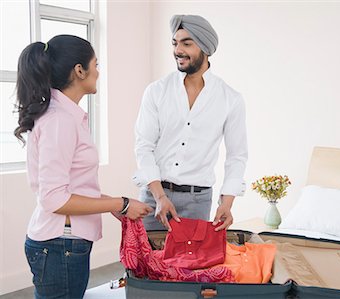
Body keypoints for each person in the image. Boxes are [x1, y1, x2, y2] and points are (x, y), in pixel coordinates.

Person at [14, 34, 152, 299]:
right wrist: (119, 204)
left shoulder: (64, 116)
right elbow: (55, 198)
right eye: (96, 65)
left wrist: (117, 204)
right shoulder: (60, 120)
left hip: (62, 244)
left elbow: (72, 188)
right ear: (79, 70)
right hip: (59, 245)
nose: (98, 73)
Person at [134, 15, 248, 232]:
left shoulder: (230, 99)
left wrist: (227, 203)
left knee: (190, 266)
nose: (178, 50)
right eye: (175, 43)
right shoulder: (157, 91)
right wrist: (159, 197)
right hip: (153, 197)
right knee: (144, 264)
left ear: (205, 47)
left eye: (187, 43)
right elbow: (144, 146)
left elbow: (237, 156)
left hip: (198, 202)